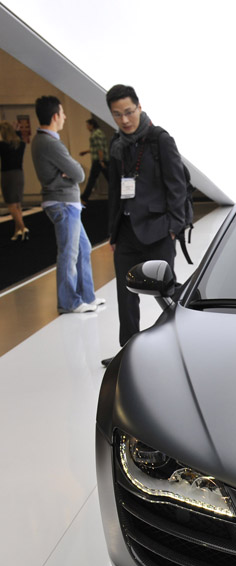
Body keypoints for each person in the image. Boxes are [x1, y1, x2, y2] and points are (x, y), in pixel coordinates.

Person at [105, 84, 188, 360]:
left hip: (158, 229)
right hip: (127, 232)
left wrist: (173, 228)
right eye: (117, 115)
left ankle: (180, 346)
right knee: (125, 295)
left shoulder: (159, 139)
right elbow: (115, 192)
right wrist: (113, 234)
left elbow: (177, 186)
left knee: (166, 292)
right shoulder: (116, 144)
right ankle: (127, 354)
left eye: (129, 112)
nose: (125, 120)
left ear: (139, 107)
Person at [31, 95, 104, 313]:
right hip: (63, 203)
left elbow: (73, 172)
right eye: (62, 113)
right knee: (69, 253)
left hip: (66, 203)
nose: (64, 117)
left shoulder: (44, 141)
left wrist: (69, 172)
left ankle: (86, 297)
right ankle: (68, 302)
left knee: (83, 248)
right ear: (55, 116)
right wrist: (69, 171)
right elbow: (79, 173)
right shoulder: (50, 143)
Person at [0, 120, 28, 241]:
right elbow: (19, 138)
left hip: (8, 175)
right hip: (19, 174)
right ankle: (17, 231)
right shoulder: (21, 144)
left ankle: (23, 228)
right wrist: (17, 132)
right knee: (17, 204)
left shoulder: (2, 146)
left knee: (11, 204)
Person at [79, 117, 109, 203]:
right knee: (110, 179)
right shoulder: (100, 133)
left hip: (99, 160)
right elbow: (97, 148)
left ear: (92, 125)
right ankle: (121, 196)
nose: (87, 127)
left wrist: (101, 160)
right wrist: (85, 152)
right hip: (103, 159)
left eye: (88, 125)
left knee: (92, 179)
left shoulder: (95, 134)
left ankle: (84, 198)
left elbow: (99, 149)